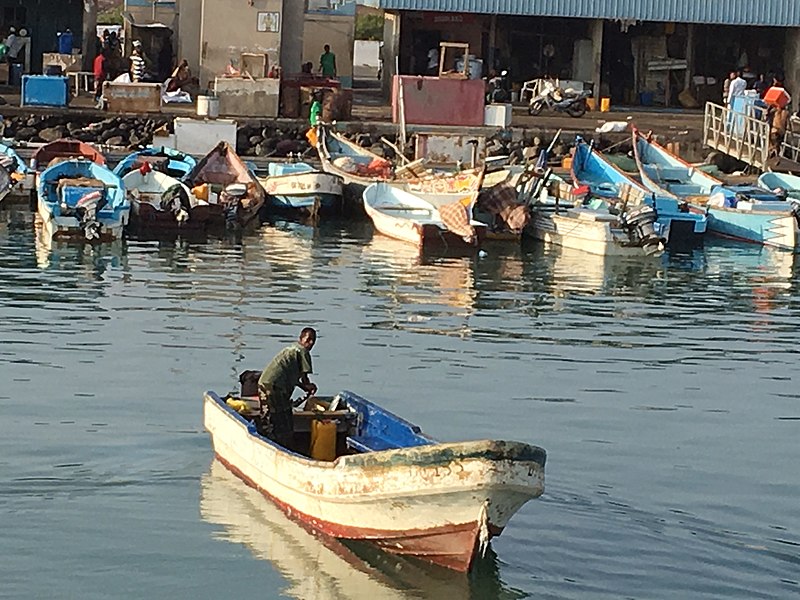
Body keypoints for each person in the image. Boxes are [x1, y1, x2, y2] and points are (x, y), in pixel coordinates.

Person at [257, 328, 318, 447]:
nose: (310, 343)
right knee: (274, 416)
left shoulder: (292, 349)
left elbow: (294, 377)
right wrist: (309, 386)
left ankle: (278, 440)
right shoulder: (303, 351)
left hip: (267, 383)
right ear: (301, 339)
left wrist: (305, 387)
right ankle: (270, 443)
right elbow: (304, 377)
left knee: (279, 413)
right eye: (308, 339)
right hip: (272, 386)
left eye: (313, 340)